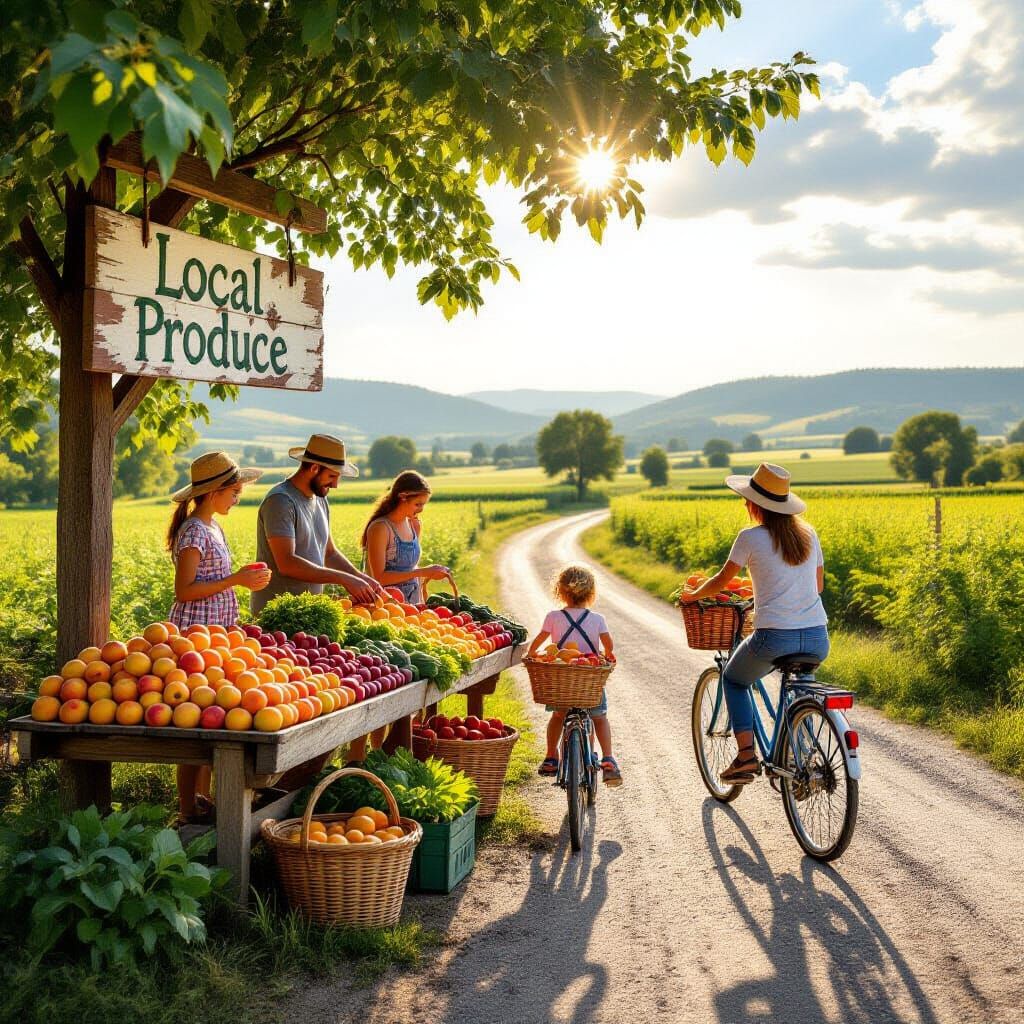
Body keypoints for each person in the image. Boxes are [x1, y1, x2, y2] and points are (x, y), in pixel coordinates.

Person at [680, 463, 828, 785]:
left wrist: (693, 596)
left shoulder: (750, 537)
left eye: (747, 500)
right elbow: (816, 586)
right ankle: (804, 757)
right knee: (801, 689)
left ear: (755, 504)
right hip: (818, 636)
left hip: (774, 637)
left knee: (733, 678)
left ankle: (746, 756)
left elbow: (721, 581)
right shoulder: (808, 534)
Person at [166, 451, 271, 822]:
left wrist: (242, 580)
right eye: (235, 491)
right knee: (194, 721)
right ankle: (185, 808)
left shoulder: (212, 526)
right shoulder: (194, 530)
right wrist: (237, 580)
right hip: (196, 636)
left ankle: (202, 801)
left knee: (211, 720)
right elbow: (185, 590)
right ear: (215, 492)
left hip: (217, 635)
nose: (238, 497)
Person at [250, 433, 384, 616]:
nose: (335, 484)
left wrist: (360, 578)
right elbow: (287, 563)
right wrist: (343, 579)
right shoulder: (280, 501)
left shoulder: (320, 499)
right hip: (278, 614)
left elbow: (329, 553)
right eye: (332, 476)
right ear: (314, 468)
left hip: (309, 611)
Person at [528, 565, 621, 786]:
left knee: (558, 717)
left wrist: (531, 654)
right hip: (588, 679)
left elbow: (540, 640)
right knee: (599, 717)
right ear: (591, 593)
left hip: (561, 680)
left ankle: (551, 756)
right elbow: (609, 645)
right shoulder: (597, 618)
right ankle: (608, 758)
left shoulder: (553, 617)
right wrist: (607, 655)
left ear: (560, 591)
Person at [361, 470, 454, 605]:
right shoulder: (380, 528)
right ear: (402, 497)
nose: (421, 509)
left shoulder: (414, 524)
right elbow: (379, 578)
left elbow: (410, 567)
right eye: (418, 504)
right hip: (388, 605)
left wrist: (431, 572)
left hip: (414, 602)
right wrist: (422, 572)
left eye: (424, 504)